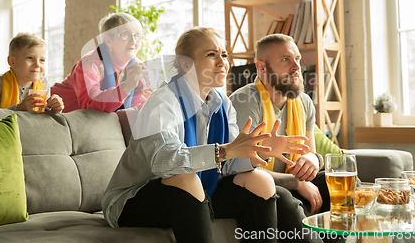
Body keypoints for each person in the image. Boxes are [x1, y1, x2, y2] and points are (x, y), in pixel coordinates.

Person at [101, 27, 312, 243]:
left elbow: (229, 165)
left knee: (260, 180)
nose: (222, 62)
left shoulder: (223, 104)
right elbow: (165, 163)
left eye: (224, 55)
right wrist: (226, 151)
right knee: (185, 177)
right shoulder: (164, 102)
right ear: (186, 64)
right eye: (211, 54)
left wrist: (260, 149)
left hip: (199, 190)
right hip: (134, 199)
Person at [230, 33, 329, 216]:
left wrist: (313, 160)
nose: (297, 67)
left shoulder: (304, 102)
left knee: (347, 185)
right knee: (285, 199)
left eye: (297, 58)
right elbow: (237, 170)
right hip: (257, 186)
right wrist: (296, 182)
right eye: (286, 59)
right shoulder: (245, 101)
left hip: (291, 179)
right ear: (262, 68)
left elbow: (309, 151)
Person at [51, 12, 147, 115]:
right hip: (52, 114)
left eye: (137, 36)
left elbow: (139, 105)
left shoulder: (138, 67)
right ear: (108, 40)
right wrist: (125, 88)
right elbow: (90, 106)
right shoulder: (89, 64)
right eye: (125, 35)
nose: (133, 41)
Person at [0, 33, 64, 113]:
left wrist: (55, 109)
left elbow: (45, 118)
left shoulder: (44, 83)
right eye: (30, 58)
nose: (37, 64)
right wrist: (18, 109)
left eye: (42, 60)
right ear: (12, 61)